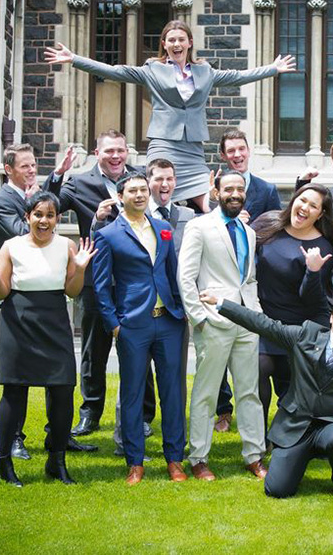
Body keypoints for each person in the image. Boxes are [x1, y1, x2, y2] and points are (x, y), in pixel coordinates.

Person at [45, 20, 295, 212]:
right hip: (163, 143)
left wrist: (272, 69)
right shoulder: (153, 70)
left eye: (181, 39)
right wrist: (74, 59)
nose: (176, 44)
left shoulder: (204, 71)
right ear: (164, 44)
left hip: (192, 148)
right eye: (171, 40)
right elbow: (115, 71)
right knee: (157, 199)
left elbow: (237, 76)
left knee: (208, 203)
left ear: (189, 43)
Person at [199, 291, 333, 503]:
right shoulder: (306, 336)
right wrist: (222, 303)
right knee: (277, 489)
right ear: (331, 317)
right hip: (294, 424)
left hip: (330, 425)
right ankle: (298, 457)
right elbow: (263, 324)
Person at [0, 191, 97, 487]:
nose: (44, 221)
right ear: (27, 217)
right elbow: (1, 292)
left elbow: (71, 291)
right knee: (15, 392)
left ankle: (56, 461)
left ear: (57, 219)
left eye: (50, 215)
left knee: (62, 391)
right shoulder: (11, 246)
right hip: (18, 322)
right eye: (38, 215)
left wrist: (79, 269)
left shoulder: (67, 246)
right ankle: (4, 461)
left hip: (54, 320)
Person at [92, 171, 188, 485]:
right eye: (132, 190)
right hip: (133, 325)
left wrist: (181, 310)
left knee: (173, 392)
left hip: (170, 322)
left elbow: (172, 272)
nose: (139, 195)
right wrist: (114, 325)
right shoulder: (108, 234)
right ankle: (135, 463)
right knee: (132, 394)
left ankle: (175, 460)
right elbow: (101, 284)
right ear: (120, 196)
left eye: (143, 190)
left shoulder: (163, 229)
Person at [176, 170, 267, 481]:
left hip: (247, 320)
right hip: (213, 321)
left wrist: (255, 313)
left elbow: (249, 278)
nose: (235, 193)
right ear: (216, 192)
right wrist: (198, 319)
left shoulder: (248, 231)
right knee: (206, 392)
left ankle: (254, 455)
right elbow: (185, 276)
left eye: (239, 189)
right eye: (228, 188)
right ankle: (199, 457)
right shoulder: (199, 227)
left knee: (249, 392)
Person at [47, 129, 132, 438]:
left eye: (120, 150)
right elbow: (50, 204)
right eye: (109, 151)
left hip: (132, 281)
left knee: (137, 348)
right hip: (95, 279)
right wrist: (58, 174)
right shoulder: (81, 183)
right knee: (94, 351)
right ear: (98, 154)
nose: (115, 156)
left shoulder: (138, 179)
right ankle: (90, 413)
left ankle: (142, 415)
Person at [112, 158, 195, 456]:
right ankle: (128, 445)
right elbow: (107, 278)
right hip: (134, 318)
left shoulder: (184, 216)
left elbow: (178, 266)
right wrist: (115, 321)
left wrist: (183, 306)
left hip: (172, 315)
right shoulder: (122, 223)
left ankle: (175, 452)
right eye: (158, 179)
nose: (164, 185)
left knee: (173, 386)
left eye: (170, 179)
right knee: (133, 386)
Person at [253, 183, 333, 448]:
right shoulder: (267, 224)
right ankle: (258, 435)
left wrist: (313, 271)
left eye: (313, 206)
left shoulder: (322, 246)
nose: (305, 208)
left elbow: (313, 299)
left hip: (299, 325)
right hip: (265, 321)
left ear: (320, 214)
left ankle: (285, 436)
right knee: (258, 369)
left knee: (289, 388)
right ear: (294, 199)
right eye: (303, 200)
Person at [212, 129, 283, 432]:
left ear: (249, 150)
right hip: (222, 279)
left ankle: (259, 414)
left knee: (250, 348)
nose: (237, 155)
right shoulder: (216, 190)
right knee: (218, 349)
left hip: (255, 280)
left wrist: (249, 229)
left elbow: (277, 227)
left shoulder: (266, 190)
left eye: (241, 149)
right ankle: (223, 410)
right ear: (224, 155)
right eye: (231, 151)